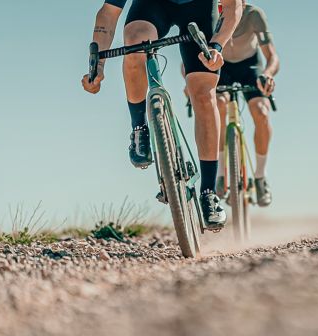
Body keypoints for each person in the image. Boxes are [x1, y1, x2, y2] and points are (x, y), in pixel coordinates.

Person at [82, 0, 243, 229]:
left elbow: (233, 5)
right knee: (135, 41)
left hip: (199, 9)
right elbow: (108, 14)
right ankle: (139, 129)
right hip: (153, 6)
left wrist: (217, 45)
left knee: (204, 93)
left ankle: (208, 191)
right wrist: (97, 65)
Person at [216, 2, 280, 207]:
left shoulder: (254, 15)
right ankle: (220, 174)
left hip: (249, 66)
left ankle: (260, 178)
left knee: (261, 112)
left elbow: (272, 57)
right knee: (218, 105)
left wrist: (267, 75)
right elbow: (189, 61)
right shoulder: (210, 12)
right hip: (221, 68)